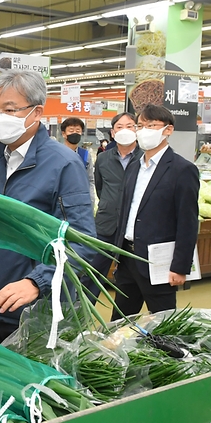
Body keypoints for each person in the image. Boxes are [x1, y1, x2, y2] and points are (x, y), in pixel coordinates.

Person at [0, 70, 97, 343]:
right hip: (1, 304)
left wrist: (36, 282)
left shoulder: (63, 164)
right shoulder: (1, 160)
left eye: (9, 109)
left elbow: (82, 242)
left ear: (37, 112)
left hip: (39, 314)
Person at [111, 104, 199, 318]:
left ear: (168, 130)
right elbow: (126, 210)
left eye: (151, 125)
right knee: (120, 320)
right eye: (140, 126)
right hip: (128, 255)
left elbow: (187, 222)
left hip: (159, 261)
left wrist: (180, 266)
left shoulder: (182, 169)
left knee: (164, 322)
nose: (144, 131)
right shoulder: (134, 166)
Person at [88, 112, 142, 298]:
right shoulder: (103, 159)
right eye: (119, 127)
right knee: (92, 274)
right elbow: (100, 188)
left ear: (137, 130)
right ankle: (80, 317)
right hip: (106, 223)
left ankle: (122, 320)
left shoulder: (145, 158)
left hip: (135, 227)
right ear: (112, 133)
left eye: (130, 126)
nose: (124, 130)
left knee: (129, 278)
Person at [60, 117, 96, 206]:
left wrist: (91, 201)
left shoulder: (85, 155)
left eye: (78, 130)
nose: (75, 133)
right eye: (71, 131)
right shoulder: (57, 153)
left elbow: (90, 180)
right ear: (64, 134)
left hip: (80, 201)